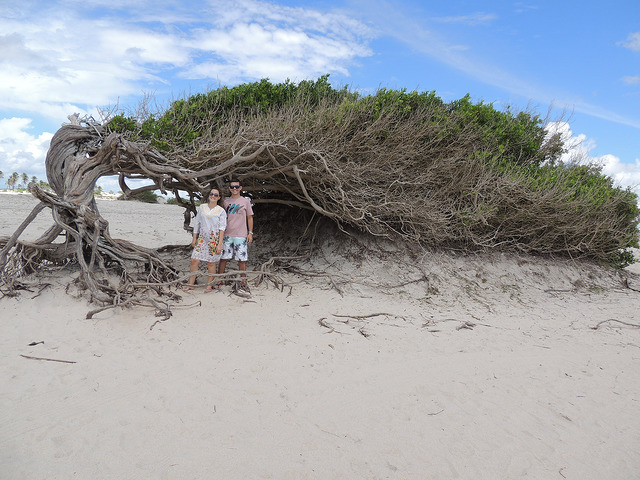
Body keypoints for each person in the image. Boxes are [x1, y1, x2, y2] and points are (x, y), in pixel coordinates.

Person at [183, 188, 227, 293]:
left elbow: (222, 228)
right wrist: (194, 238)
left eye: (216, 195)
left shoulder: (221, 211)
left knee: (211, 263)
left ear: (219, 197)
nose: (213, 196)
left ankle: (209, 286)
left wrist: (219, 244)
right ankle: (190, 284)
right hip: (202, 239)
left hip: (214, 239)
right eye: (211, 194)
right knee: (194, 260)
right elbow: (197, 223)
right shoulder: (202, 207)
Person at [218, 178, 254, 292]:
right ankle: (219, 279)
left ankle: (243, 281)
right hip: (227, 234)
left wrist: (250, 233)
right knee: (224, 258)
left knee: (242, 260)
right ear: (229, 188)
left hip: (241, 235)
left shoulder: (246, 201)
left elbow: (250, 217)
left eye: (236, 187)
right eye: (232, 187)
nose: (234, 189)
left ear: (240, 188)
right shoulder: (225, 202)